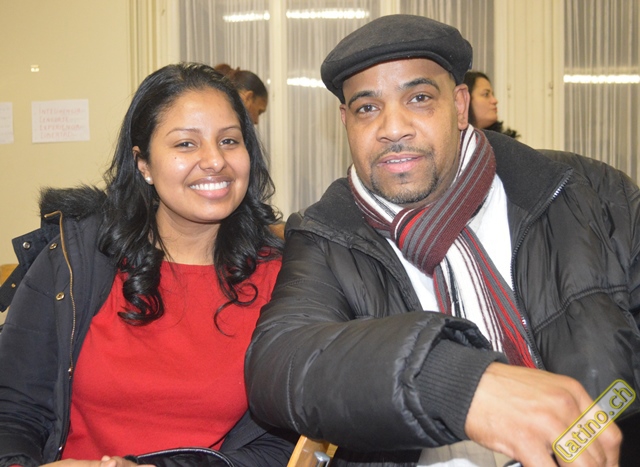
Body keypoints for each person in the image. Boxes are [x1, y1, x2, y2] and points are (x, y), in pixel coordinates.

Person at [245, 14, 640, 467]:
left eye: (419, 98)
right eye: (367, 108)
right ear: (345, 121)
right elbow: (279, 364)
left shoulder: (588, 194)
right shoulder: (326, 235)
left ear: (459, 105)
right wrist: (455, 383)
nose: (393, 128)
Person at [0, 62, 294, 466]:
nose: (215, 160)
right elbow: (13, 411)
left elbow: (282, 446)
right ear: (143, 164)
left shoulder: (284, 278)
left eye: (229, 140)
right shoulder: (77, 259)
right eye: (186, 144)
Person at [463, 70, 520, 138]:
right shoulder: (455, 141)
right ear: (465, 98)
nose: (495, 101)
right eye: (486, 94)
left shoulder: (504, 141)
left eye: (492, 94)